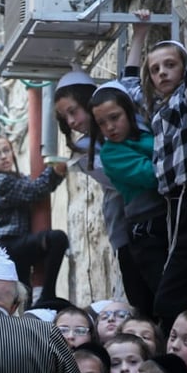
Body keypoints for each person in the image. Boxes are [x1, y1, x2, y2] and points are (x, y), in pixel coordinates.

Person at [123, 0, 187, 329]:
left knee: (173, 285)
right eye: (156, 68)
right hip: (172, 198)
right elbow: (129, 85)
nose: (162, 73)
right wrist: (139, 37)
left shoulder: (185, 100)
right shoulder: (157, 109)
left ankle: (181, 327)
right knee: (176, 267)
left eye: (170, 65)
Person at [53, 71, 139, 312]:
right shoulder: (85, 151)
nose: (70, 121)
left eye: (73, 111)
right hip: (123, 227)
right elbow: (119, 177)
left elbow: (131, 83)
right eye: (64, 116)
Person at [88, 82, 168, 320]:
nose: (110, 127)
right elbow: (151, 175)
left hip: (168, 218)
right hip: (147, 228)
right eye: (102, 123)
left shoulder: (146, 134)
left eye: (115, 117)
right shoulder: (111, 154)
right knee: (162, 295)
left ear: (128, 112)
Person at [0, 133, 71, 303]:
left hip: (16, 244)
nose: (3, 157)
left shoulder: (14, 177)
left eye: (6, 151)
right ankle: (47, 294)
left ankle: (39, 303)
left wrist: (54, 173)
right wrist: (55, 171)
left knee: (25, 298)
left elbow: (33, 187)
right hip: (9, 245)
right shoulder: (0, 181)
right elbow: (35, 190)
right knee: (57, 239)